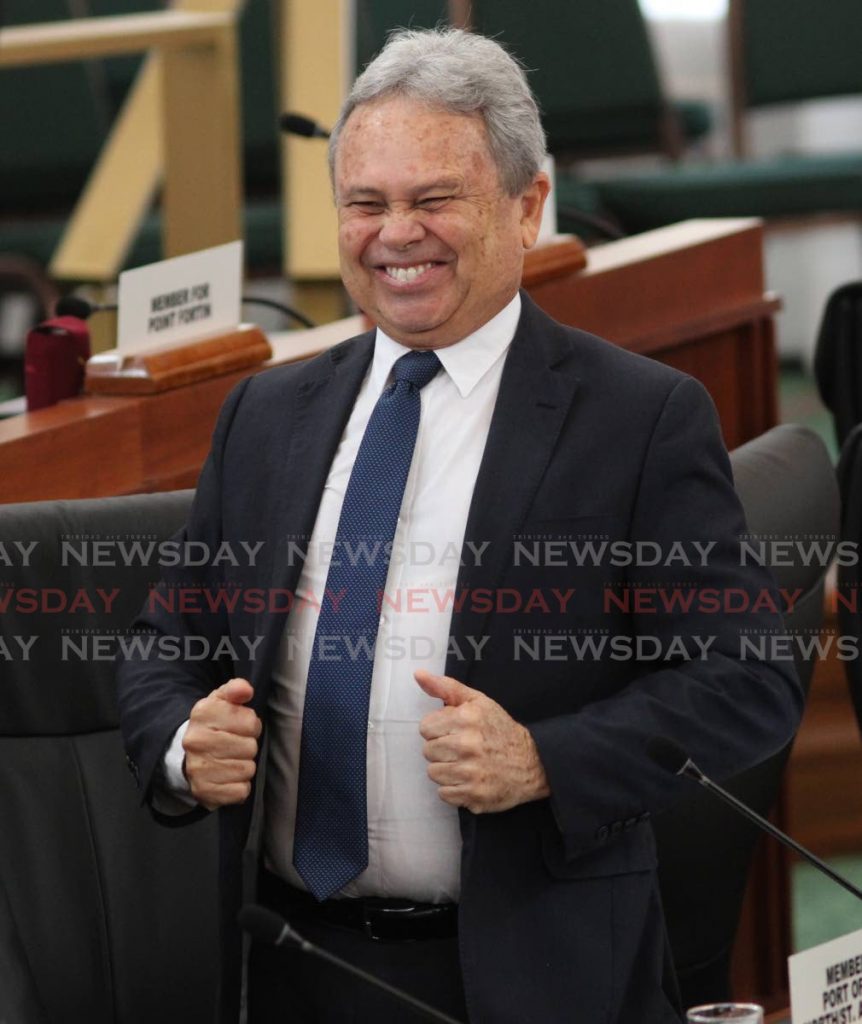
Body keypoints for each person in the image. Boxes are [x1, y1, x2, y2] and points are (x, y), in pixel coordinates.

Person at [117, 27, 802, 1024]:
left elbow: (748, 680)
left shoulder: (639, 418)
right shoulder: (263, 416)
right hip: (293, 961)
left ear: (527, 207)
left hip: (534, 976)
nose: (397, 234)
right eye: (366, 203)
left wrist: (544, 758)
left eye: (434, 199)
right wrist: (183, 741)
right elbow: (163, 647)